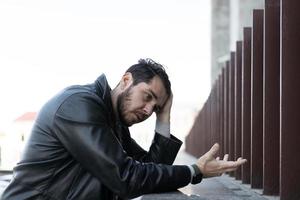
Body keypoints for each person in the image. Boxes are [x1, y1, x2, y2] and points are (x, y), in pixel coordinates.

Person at [1, 58, 246, 200]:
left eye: (156, 107)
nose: (149, 110)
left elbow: (151, 168)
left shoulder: (113, 121)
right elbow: (126, 178)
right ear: (126, 80)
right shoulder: (79, 106)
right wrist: (194, 170)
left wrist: (164, 116)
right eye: (147, 96)